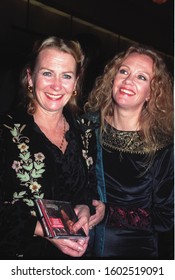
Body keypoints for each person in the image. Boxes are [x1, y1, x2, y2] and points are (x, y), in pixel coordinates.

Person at [0, 36, 105, 259]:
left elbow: (88, 188)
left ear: (75, 83)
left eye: (66, 76)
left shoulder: (85, 132)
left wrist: (86, 208)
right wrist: (44, 229)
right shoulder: (6, 131)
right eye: (47, 73)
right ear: (30, 77)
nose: (56, 85)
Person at [83, 44, 174, 259]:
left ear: (152, 93)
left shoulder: (162, 146)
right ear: (112, 78)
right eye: (124, 71)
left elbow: (166, 217)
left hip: (134, 255)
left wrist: (109, 213)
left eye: (141, 77)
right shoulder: (86, 128)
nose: (128, 80)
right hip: (80, 250)